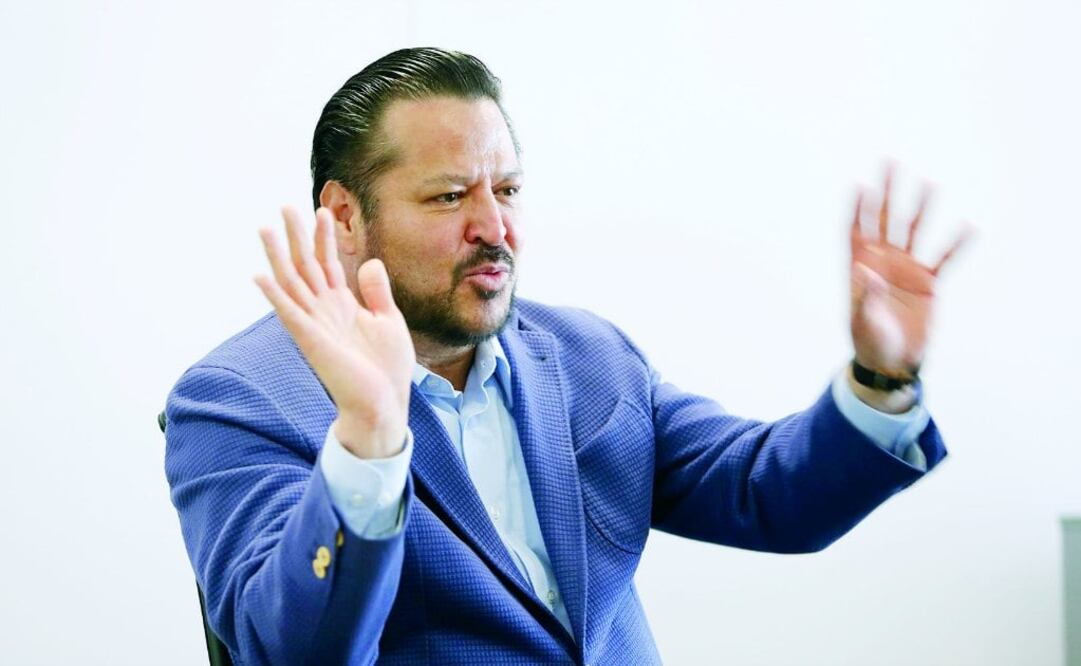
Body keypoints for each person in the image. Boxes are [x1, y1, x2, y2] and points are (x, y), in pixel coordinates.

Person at [164, 47, 967, 665]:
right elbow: (292, 650)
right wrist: (370, 439)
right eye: (450, 196)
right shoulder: (238, 399)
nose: (494, 228)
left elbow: (766, 494)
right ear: (343, 215)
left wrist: (879, 377)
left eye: (506, 192)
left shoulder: (586, 357)